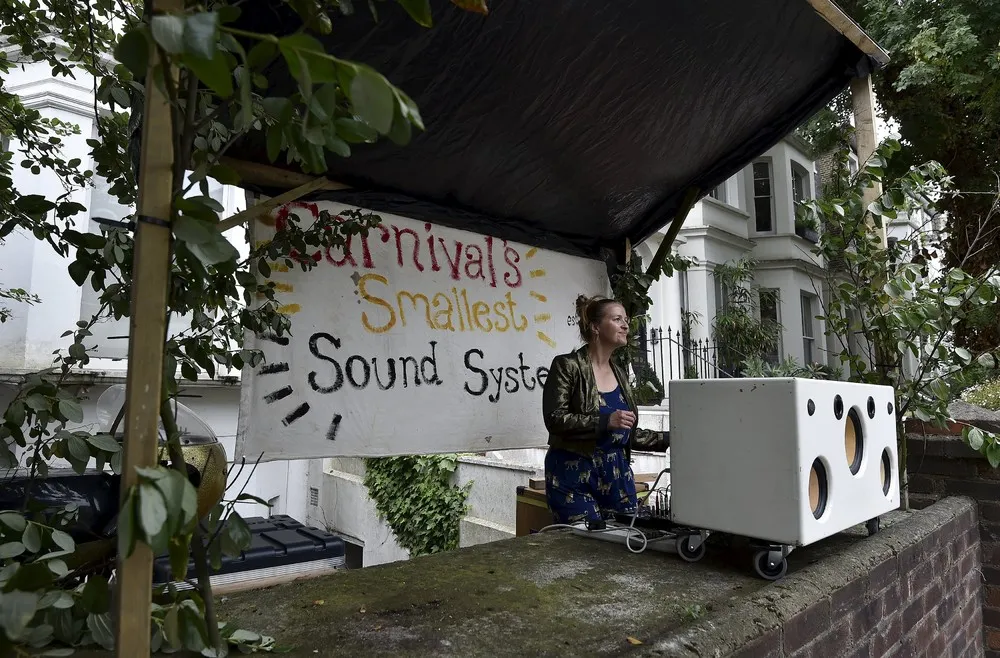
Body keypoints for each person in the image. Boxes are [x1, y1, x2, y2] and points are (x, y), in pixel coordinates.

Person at [541, 295, 668, 526]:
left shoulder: (620, 373)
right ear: (596, 327)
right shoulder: (567, 366)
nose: (626, 325)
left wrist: (670, 438)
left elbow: (626, 431)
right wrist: (604, 420)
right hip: (575, 475)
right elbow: (555, 419)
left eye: (626, 319)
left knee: (628, 542)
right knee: (585, 547)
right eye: (617, 319)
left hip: (617, 476)